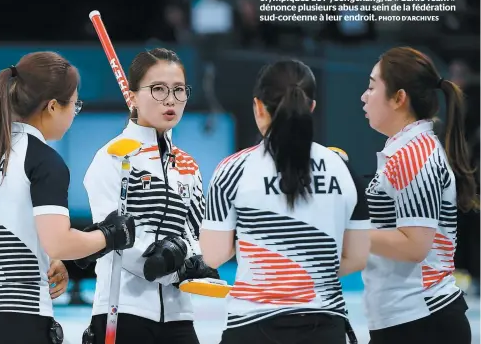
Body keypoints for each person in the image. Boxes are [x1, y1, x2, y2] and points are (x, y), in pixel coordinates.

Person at [0, 51, 135, 344]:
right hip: (13, 313)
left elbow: (15, 225)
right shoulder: (43, 159)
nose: (75, 112)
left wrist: (53, 257)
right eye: (75, 104)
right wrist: (111, 234)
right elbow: (59, 241)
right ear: (52, 106)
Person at [199, 59, 371, 344]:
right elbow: (356, 258)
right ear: (312, 108)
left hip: (252, 328)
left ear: (258, 107)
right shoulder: (343, 168)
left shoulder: (233, 169)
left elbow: (213, 256)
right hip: (324, 329)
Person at [79, 48, 219, 344]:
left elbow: (194, 229)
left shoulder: (188, 164)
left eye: (179, 90)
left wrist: (193, 259)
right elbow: (111, 237)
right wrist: (166, 264)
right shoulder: (112, 157)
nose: (170, 99)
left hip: (179, 314)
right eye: (158, 89)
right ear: (132, 97)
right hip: (122, 310)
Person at [360, 46, 479, 344]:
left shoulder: (415, 156)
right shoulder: (404, 151)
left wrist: (346, 232)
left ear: (399, 98)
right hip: (404, 318)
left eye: (372, 87)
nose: (364, 96)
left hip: (421, 320)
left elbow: (414, 245)